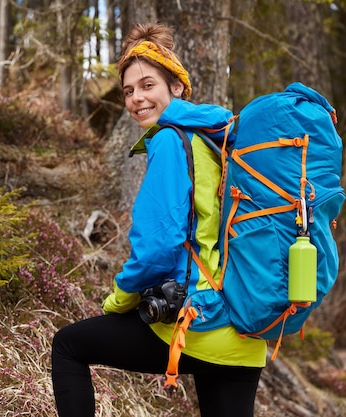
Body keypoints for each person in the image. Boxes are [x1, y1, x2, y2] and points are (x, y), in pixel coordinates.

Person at [51, 22, 267, 417]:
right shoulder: (214, 141)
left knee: (68, 346)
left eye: (148, 85)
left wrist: (120, 299)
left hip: (196, 321)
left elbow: (158, 247)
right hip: (243, 330)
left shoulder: (170, 139)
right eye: (129, 90)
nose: (136, 98)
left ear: (177, 87)